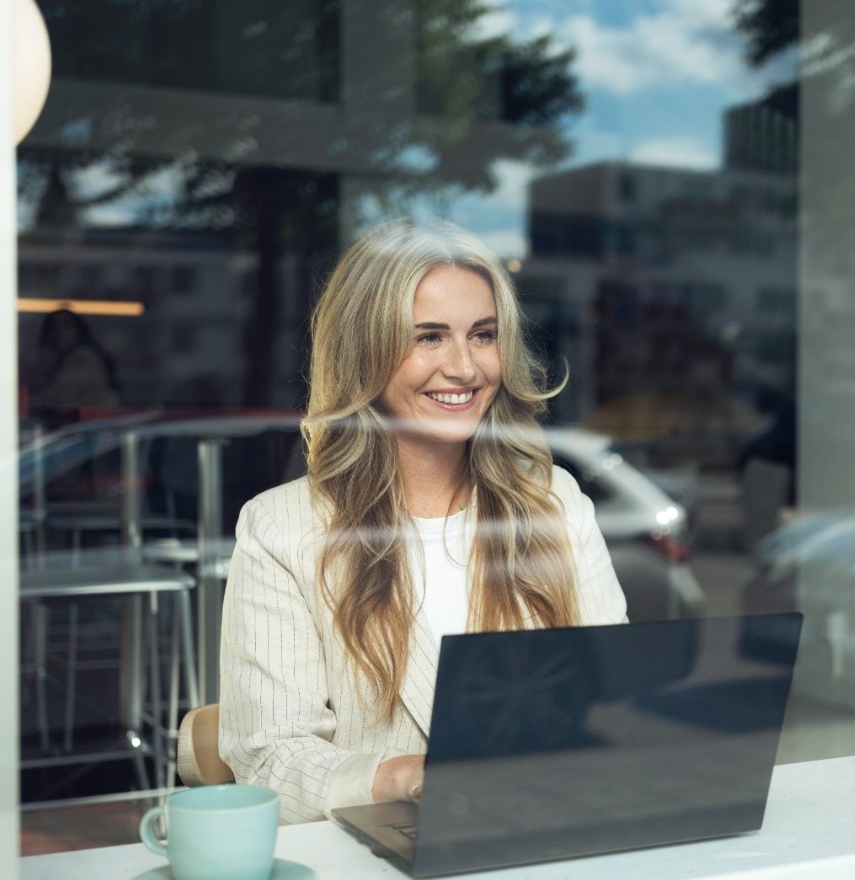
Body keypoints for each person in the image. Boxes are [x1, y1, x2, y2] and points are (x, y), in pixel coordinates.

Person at [219, 220, 628, 823]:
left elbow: (612, 694)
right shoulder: (280, 528)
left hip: (551, 832)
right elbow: (268, 759)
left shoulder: (554, 502)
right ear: (365, 352)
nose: (463, 367)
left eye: (482, 335)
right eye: (429, 338)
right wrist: (404, 776)